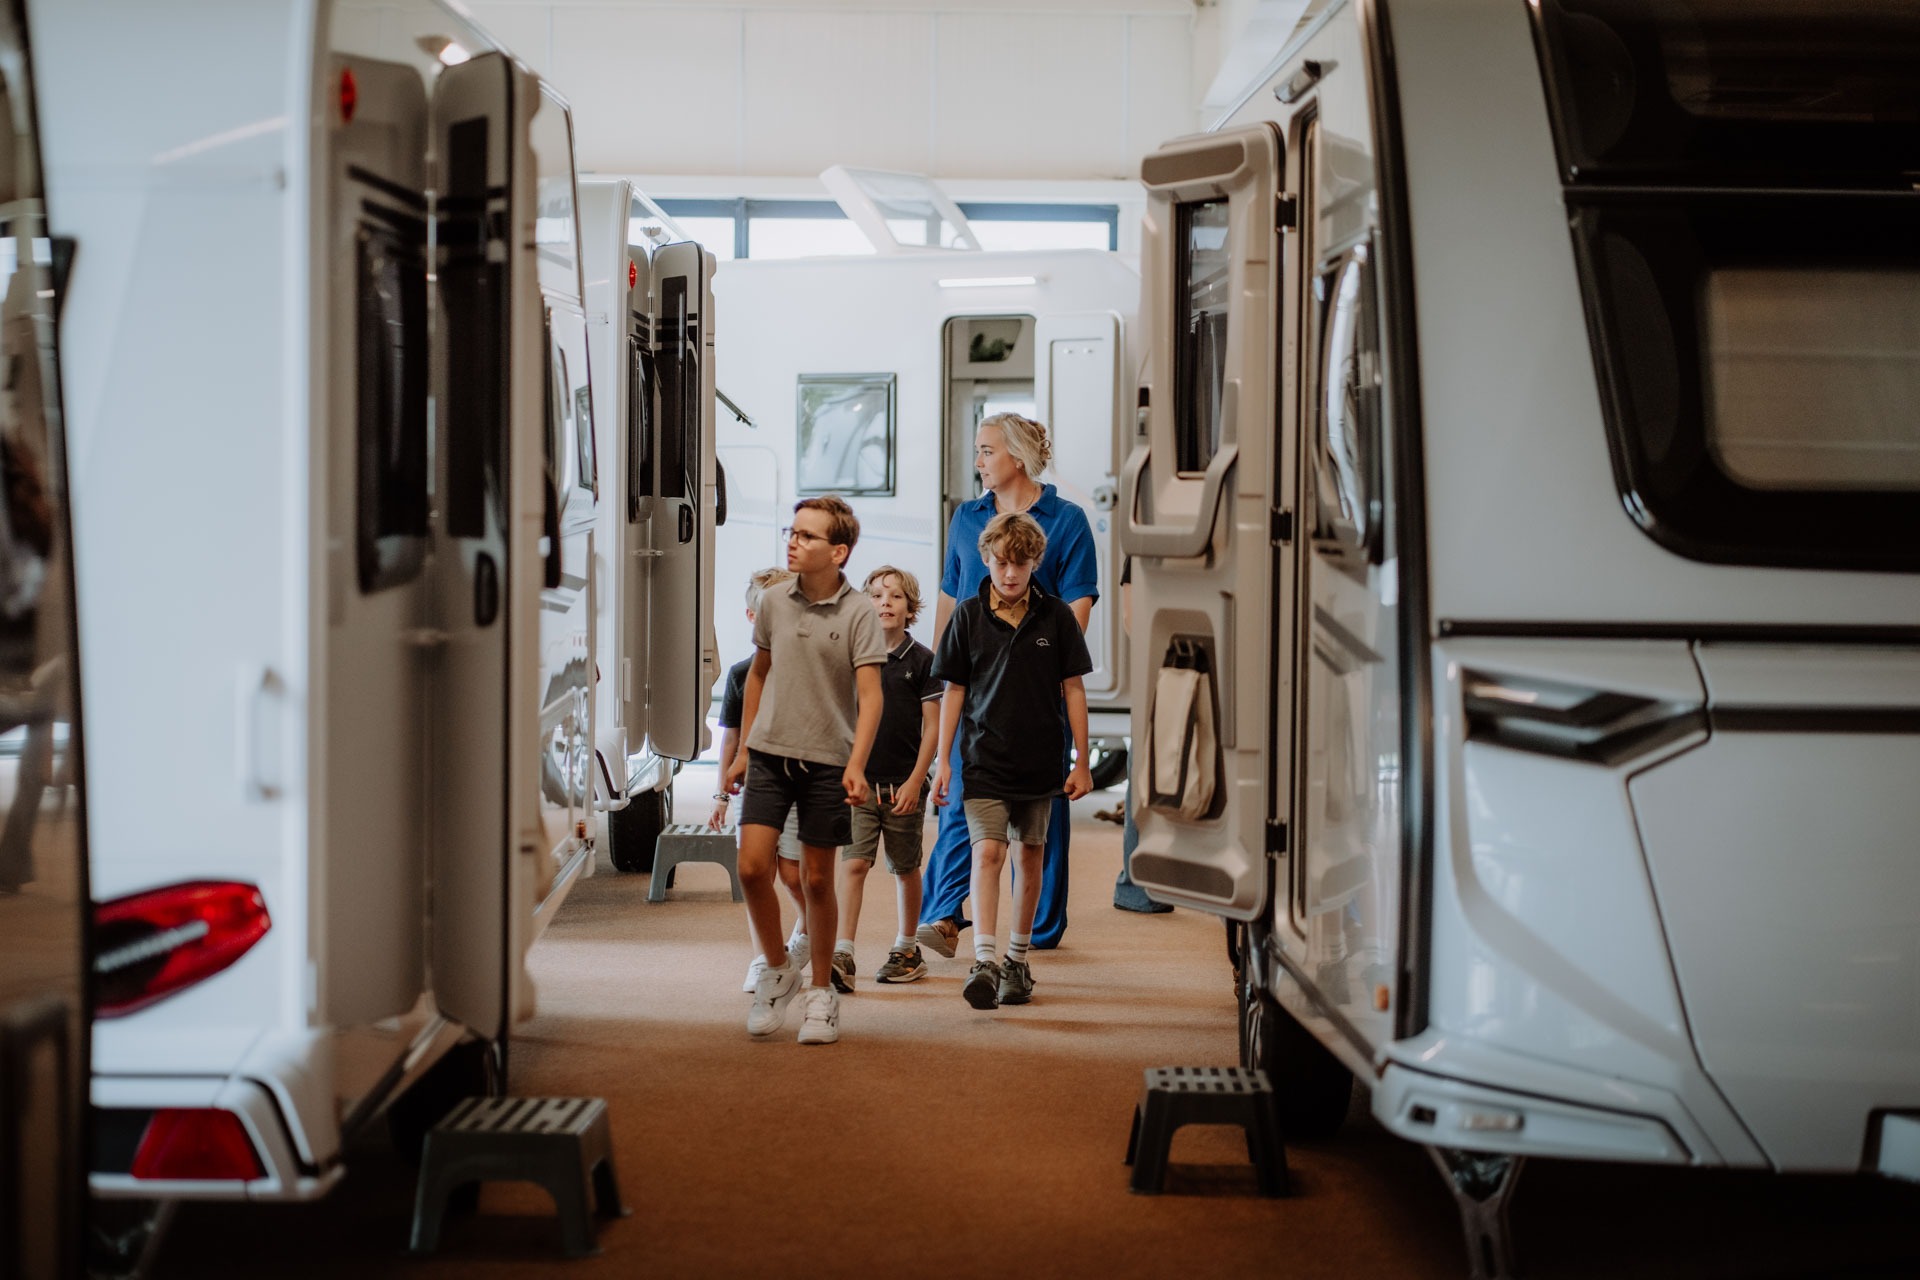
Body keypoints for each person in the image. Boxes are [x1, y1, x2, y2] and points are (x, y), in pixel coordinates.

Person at [918, 413, 1098, 958]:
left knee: (1041, 817)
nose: (978, 461)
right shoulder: (966, 517)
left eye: (986, 450)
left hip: (1037, 689)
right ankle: (943, 914)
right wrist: (938, 676)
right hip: (974, 687)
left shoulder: (1067, 520)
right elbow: (950, 598)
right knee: (961, 802)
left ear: (1016, 457)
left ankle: (1037, 928)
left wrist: (1047, 670)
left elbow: (1077, 605)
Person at [723, 496, 885, 1044]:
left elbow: (871, 695)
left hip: (828, 761)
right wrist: (744, 751)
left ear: (838, 552)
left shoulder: (859, 611)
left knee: (817, 879)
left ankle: (821, 993)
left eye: (807, 536)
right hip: (770, 754)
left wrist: (857, 763)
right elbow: (758, 675)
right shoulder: (773, 601)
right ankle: (777, 969)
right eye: (791, 533)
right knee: (752, 869)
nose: (793, 542)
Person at [931, 511, 1093, 1009]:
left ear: (1034, 563)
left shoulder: (1057, 617)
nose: (1009, 573)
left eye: (1020, 564)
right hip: (983, 760)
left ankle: (1017, 961)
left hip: (1040, 762)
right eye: (1001, 563)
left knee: (1029, 856)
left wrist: (1082, 762)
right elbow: (954, 691)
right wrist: (943, 761)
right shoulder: (967, 616)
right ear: (986, 559)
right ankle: (984, 959)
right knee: (987, 853)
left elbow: (1073, 688)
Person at [831, 566, 942, 990]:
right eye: (877, 596)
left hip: (903, 786)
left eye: (895, 597)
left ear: (910, 607)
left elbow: (932, 727)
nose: (885, 604)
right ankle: (843, 952)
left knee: (905, 867)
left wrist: (917, 780)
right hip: (860, 782)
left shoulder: (923, 660)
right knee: (854, 863)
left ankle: (907, 949)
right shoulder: (854, 656)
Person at [711, 568, 816, 989]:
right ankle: (764, 960)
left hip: (798, 783)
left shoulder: (809, 668)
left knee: (793, 875)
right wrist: (721, 794)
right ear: (752, 617)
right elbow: (731, 738)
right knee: (756, 874)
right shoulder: (741, 673)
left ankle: (807, 933)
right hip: (752, 786)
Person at [1111, 555, 1171, 914]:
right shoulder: (1145, 545)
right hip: (1164, 662)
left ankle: (1145, 883)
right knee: (1146, 768)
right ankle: (1137, 884)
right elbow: (1132, 620)